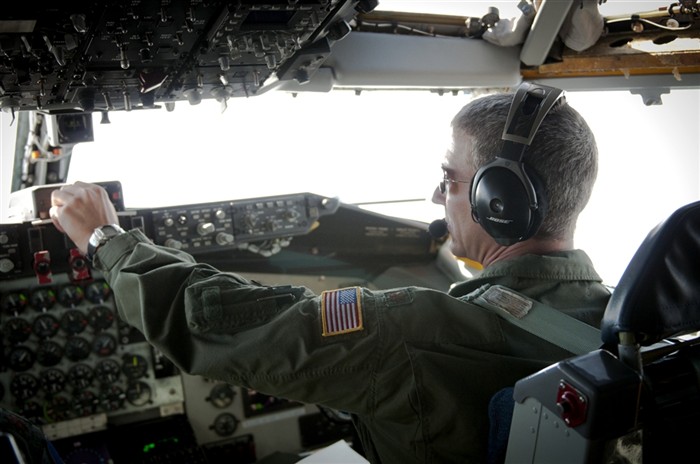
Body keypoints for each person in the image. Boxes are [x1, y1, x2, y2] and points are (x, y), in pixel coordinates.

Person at [49, 84, 610, 464]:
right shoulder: (619, 323)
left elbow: (211, 324)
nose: (438, 195)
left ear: (501, 201)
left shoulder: (414, 328)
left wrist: (108, 241)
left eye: (451, 177)